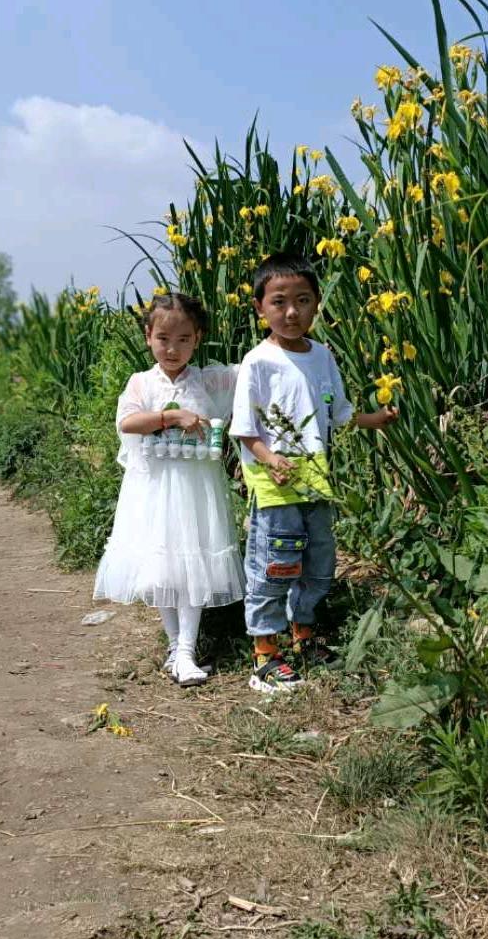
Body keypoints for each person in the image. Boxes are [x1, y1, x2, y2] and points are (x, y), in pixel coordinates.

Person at [231, 253, 397, 694]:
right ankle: (264, 652)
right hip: (276, 482)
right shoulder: (258, 362)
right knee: (276, 563)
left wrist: (374, 419)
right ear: (259, 307)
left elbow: (337, 413)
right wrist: (270, 459)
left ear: (317, 303)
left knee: (318, 560)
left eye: (302, 300)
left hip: (317, 477)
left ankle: (303, 634)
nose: (291, 312)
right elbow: (245, 430)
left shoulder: (322, 355)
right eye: (279, 301)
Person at [93, 291, 244, 685]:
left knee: (193, 561)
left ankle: (185, 651)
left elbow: (250, 372)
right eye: (163, 339)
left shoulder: (209, 380)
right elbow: (127, 423)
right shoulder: (141, 383)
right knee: (163, 567)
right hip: (155, 488)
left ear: (198, 339)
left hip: (195, 488)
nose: (172, 349)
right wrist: (170, 416)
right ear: (148, 336)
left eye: (183, 340)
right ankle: (177, 647)